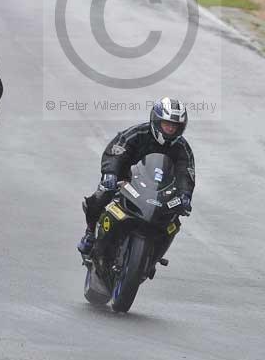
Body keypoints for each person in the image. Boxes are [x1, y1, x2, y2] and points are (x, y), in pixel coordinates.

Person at [78, 97, 195, 255]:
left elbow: (186, 172)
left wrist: (185, 195)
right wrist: (110, 174)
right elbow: (116, 151)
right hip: (127, 181)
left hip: (161, 193)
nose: (170, 129)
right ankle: (90, 233)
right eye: (166, 124)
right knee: (102, 195)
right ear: (156, 121)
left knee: (174, 221)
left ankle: (154, 255)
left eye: (174, 126)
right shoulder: (137, 133)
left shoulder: (182, 148)